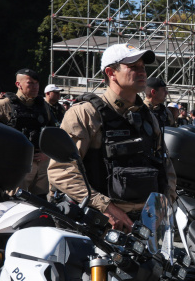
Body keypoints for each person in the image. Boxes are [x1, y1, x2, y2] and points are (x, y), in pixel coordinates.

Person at [47, 44, 177, 231]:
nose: (142, 72)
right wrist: (106, 208)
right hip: (101, 222)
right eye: (133, 67)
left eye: (143, 67)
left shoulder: (148, 117)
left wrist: (165, 207)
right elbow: (62, 171)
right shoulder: (85, 113)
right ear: (111, 72)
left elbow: (165, 165)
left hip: (146, 222)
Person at [0, 69, 57, 195]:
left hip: (41, 163)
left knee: (40, 204)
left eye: (37, 83)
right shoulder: (6, 104)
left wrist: (47, 153)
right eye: (30, 83)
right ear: (18, 85)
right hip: (17, 163)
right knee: (15, 203)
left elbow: (54, 132)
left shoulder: (43, 106)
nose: (35, 87)